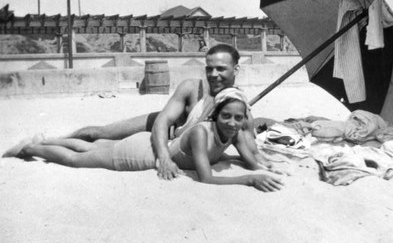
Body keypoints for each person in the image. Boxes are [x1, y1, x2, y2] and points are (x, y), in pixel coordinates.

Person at [3, 88, 284, 193]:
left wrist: (265, 167)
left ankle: (44, 140)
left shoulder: (231, 134)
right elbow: (206, 178)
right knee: (80, 160)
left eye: (238, 118)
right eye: (226, 117)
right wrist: (248, 180)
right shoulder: (201, 133)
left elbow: (249, 155)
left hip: (145, 145)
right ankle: (32, 148)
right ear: (215, 115)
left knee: (91, 147)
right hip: (140, 154)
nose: (233, 124)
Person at [64, 44, 270, 180]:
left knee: (103, 147)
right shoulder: (192, 87)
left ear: (236, 70)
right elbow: (161, 123)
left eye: (221, 69)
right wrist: (164, 158)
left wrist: (266, 163)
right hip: (162, 127)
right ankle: (59, 139)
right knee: (97, 134)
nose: (213, 75)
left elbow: (251, 149)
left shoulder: (239, 107)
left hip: (177, 142)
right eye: (209, 68)